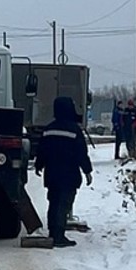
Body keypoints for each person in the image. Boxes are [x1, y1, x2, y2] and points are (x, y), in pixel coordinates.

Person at [33, 95, 93, 248]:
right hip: (69, 174)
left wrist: (39, 165)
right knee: (64, 204)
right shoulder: (74, 130)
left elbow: (42, 150)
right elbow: (81, 153)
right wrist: (87, 171)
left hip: (52, 174)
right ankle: (58, 236)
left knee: (54, 202)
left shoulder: (49, 129)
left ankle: (53, 232)